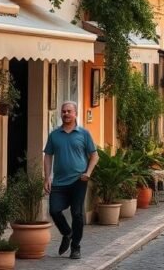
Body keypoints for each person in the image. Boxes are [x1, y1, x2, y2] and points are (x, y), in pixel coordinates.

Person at [43, 101, 99, 260]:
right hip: (59, 182)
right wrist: (47, 177)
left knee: (77, 214)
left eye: (69, 111)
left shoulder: (84, 134)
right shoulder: (54, 135)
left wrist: (88, 172)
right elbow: (48, 156)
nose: (66, 114)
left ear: (75, 114)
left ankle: (76, 248)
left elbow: (94, 155)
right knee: (54, 210)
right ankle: (67, 233)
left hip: (78, 180)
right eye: (63, 111)